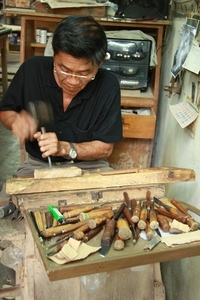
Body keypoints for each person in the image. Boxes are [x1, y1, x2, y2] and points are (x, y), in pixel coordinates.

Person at [0, 15, 122, 185]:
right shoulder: (32, 69)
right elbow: (6, 110)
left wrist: (64, 148)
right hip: (38, 165)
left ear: (99, 64)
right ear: (54, 53)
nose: (72, 81)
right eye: (64, 69)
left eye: (84, 73)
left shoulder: (108, 84)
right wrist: (16, 121)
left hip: (90, 167)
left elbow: (105, 147)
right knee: (12, 207)